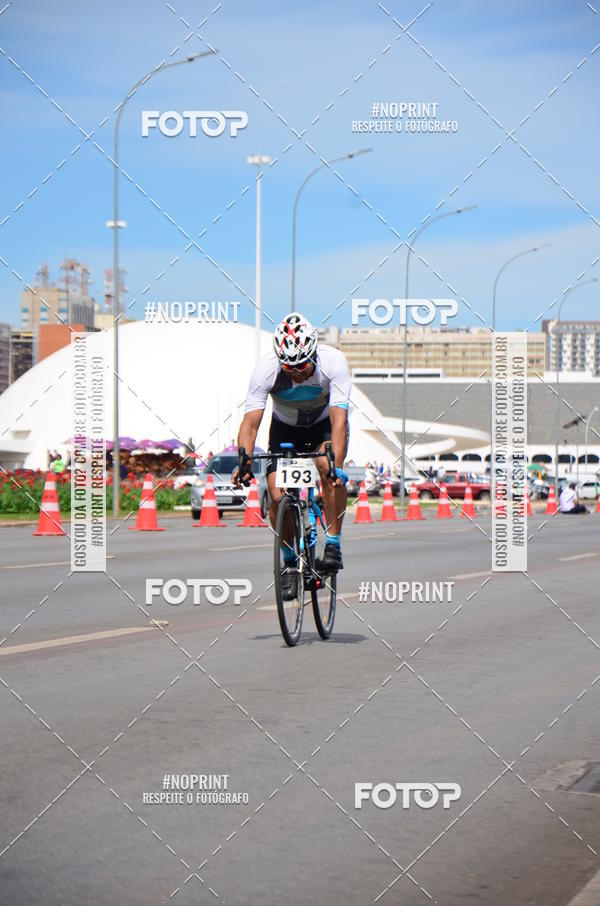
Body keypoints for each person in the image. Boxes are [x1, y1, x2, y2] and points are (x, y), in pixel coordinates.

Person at [234, 312, 350, 598]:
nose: (296, 371)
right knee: (276, 495)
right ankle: (288, 562)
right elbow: (250, 424)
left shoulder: (333, 362)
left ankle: (333, 543)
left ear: (312, 352)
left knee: (328, 469)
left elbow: (339, 422)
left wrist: (337, 463)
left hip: (322, 426)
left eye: (302, 365)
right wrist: (245, 461)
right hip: (285, 429)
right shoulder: (266, 369)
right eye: (289, 366)